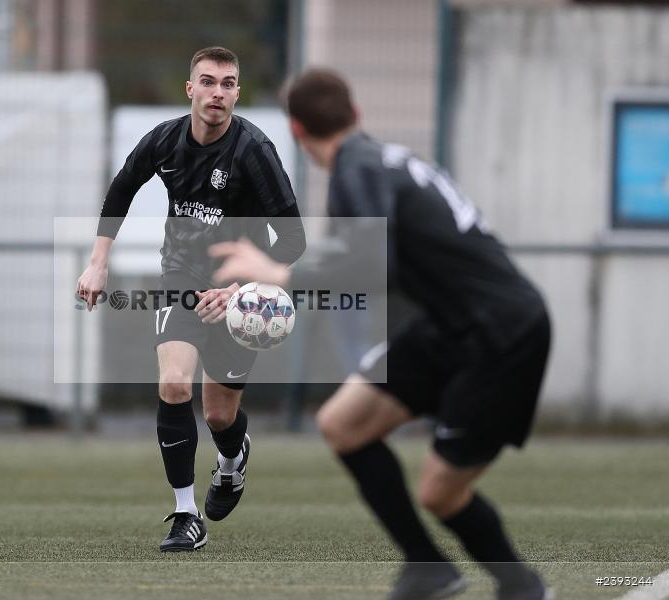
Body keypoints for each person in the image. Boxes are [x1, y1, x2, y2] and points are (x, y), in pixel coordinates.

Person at [210, 69, 552, 600]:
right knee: (343, 424)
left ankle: (522, 586)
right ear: (356, 114)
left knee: (441, 492)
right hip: (451, 325)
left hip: (501, 334)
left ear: (297, 131)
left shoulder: (356, 169)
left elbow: (374, 264)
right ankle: (428, 567)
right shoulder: (373, 160)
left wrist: (281, 276)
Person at [76, 47, 305, 552]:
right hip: (179, 275)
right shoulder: (164, 140)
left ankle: (231, 460)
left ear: (237, 93)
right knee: (175, 383)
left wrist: (239, 290)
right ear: (191, 89)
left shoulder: (254, 151)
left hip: (240, 292)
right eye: (208, 81)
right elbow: (121, 190)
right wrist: (98, 260)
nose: (217, 92)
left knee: (220, 414)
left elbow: (293, 242)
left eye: (227, 84)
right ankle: (186, 515)